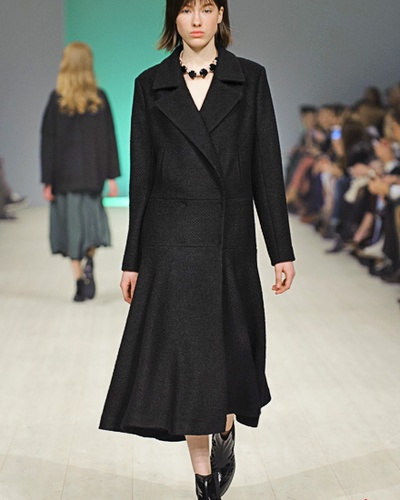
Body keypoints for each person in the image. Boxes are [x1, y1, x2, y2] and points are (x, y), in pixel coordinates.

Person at [99, 1, 295, 498]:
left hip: (228, 243)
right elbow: (142, 177)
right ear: (174, 18)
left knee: (226, 357)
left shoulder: (251, 79)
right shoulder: (151, 84)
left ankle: (224, 426)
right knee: (188, 361)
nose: (197, 19)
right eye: (186, 9)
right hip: (171, 243)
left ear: (221, 15)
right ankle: (203, 473)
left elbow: (266, 168)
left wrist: (281, 249)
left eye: (207, 8)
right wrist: (132, 259)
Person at [40, 42, 120, 302]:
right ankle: (89, 261)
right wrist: (111, 177)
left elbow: (48, 142)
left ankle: (78, 280)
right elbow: (109, 139)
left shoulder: (56, 100)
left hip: (64, 179)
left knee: (71, 230)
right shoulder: (99, 99)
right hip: (92, 177)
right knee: (90, 226)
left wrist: (48, 181)